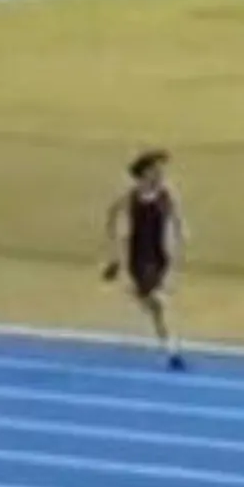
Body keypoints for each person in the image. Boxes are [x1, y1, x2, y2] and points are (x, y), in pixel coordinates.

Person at [104, 150, 189, 370]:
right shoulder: (131, 195)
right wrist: (114, 252)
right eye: (155, 170)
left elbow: (177, 217)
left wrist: (180, 236)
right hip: (140, 258)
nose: (160, 174)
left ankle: (139, 298)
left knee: (154, 305)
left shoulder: (166, 193)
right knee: (158, 304)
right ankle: (172, 351)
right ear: (144, 173)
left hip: (160, 255)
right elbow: (112, 214)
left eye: (161, 170)